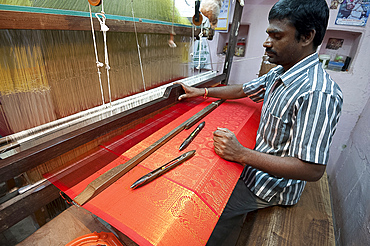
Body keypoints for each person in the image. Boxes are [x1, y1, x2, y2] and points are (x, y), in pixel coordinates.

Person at [176, 0, 343, 245]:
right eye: (268, 34)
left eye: (276, 36)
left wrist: (241, 154)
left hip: (271, 187)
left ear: (307, 37)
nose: (266, 43)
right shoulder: (280, 72)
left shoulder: (318, 93)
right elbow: (242, 90)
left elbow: (312, 170)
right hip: (255, 166)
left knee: (201, 208)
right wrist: (201, 93)